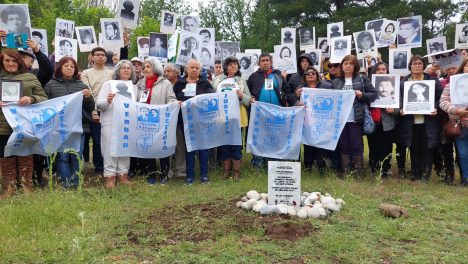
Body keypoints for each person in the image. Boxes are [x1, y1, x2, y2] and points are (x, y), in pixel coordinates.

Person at [0, 49, 48, 198]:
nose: (10, 63)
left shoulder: (30, 77)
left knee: (25, 157)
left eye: (14, 60)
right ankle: (10, 188)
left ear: (19, 62)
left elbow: (44, 98)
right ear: (2, 62)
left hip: (25, 126)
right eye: (7, 60)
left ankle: (27, 187)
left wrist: (31, 99)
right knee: (5, 157)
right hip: (2, 126)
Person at [43, 57, 94, 188]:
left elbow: (90, 107)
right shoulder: (51, 85)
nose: (69, 68)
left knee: (76, 155)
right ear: (60, 68)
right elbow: (45, 105)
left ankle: (76, 182)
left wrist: (88, 98)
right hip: (59, 128)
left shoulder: (82, 86)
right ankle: (65, 183)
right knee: (62, 156)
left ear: (75, 69)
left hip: (79, 127)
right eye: (66, 66)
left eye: (72, 66)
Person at [399, 55, 443, 181]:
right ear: (410, 66)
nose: (417, 65)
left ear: (424, 65)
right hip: (410, 120)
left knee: (427, 147)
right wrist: (402, 108)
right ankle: (415, 172)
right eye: (414, 63)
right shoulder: (404, 83)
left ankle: (425, 174)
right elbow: (400, 99)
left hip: (428, 120)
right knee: (413, 146)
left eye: (419, 63)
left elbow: (442, 97)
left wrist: (435, 108)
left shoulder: (432, 81)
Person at [331, 54, 377, 175]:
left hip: (356, 118)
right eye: (345, 63)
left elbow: (373, 94)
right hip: (341, 119)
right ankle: (346, 172)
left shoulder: (362, 78)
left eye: (351, 64)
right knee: (344, 145)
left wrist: (361, 95)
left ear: (355, 66)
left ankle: (358, 172)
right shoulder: (336, 81)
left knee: (356, 145)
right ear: (342, 66)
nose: (348, 66)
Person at [134, 57, 177, 184]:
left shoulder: (165, 83)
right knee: (148, 147)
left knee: (161, 147)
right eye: (144, 67)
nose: (145, 69)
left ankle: (164, 174)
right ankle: (151, 174)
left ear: (156, 67)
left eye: (148, 66)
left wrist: (174, 103)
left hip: (161, 120)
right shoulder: (140, 84)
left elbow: (171, 98)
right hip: (144, 120)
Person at [96, 60, 137, 188]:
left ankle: (123, 175)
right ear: (118, 71)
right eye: (123, 68)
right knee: (110, 149)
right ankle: (110, 177)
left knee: (125, 148)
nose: (126, 70)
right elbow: (98, 104)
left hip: (127, 122)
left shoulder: (134, 88)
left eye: (129, 68)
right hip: (110, 122)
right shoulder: (108, 85)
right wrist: (108, 101)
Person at [173, 59, 215, 184]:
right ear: (186, 69)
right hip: (184, 121)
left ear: (200, 70)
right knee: (189, 148)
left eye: (197, 68)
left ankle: (204, 175)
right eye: (192, 67)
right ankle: (189, 175)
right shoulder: (179, 84)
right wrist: (176, 103)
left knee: (203, 148)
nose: (194, 69)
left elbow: (211, 97)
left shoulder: (205, 83)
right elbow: (173, 99)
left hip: (202, 121)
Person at [247, 53, 290, 168]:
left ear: (271, 62)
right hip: (260, 114)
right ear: (259, 63)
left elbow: (286, 89)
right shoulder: (253, 77)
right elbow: (249, 93)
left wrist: (286, 98)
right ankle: (258, 164)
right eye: (262, 60)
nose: (265, 62)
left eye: (267, 60)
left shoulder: (278, 75)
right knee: (260, 138)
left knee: (274, 137)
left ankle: (273, 163)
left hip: (276, 112)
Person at [212, 57, 252, 180]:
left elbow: (249, 99)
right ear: (226, 67)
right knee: (224, 143)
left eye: (235, 64)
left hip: (237, 116)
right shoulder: (217, 80)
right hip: (222, 117)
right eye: (230, 64)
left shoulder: (241, 81)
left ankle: (236, 172)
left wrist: (242, 96)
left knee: (236, 143)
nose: (233, 66)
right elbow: (212, 96)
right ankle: (226, 171)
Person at [81, 47, 114, 174]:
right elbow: (87, 91)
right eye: (97, 55)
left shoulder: (111, 73)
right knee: (97, 139)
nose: (100, 57)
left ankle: (107, 164)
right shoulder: (86, 73)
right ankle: (99, 167)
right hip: (92, 110)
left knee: (106, 139)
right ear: (92, 57)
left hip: (108, 109)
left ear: (106, 58)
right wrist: (94, 111)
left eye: (103, 55)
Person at [366, 62, 399, 178]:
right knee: (373, 146)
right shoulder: (369, 84)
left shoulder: (394, 84)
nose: (381, 71)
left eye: (383, 69)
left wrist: (393, 111)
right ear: (374, 71)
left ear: (387, 71)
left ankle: (385, 170)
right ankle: (374, 168)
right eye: (378, 69)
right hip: (373, 122)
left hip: (387, 122)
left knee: (386, 147)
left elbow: (399, 104)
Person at [440, 58, 468, 186]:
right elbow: (443, 102)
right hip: (460, 124)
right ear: (463, 67)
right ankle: (466, 179)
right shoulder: (451, 85)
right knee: (462, 154)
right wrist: (457, 110)